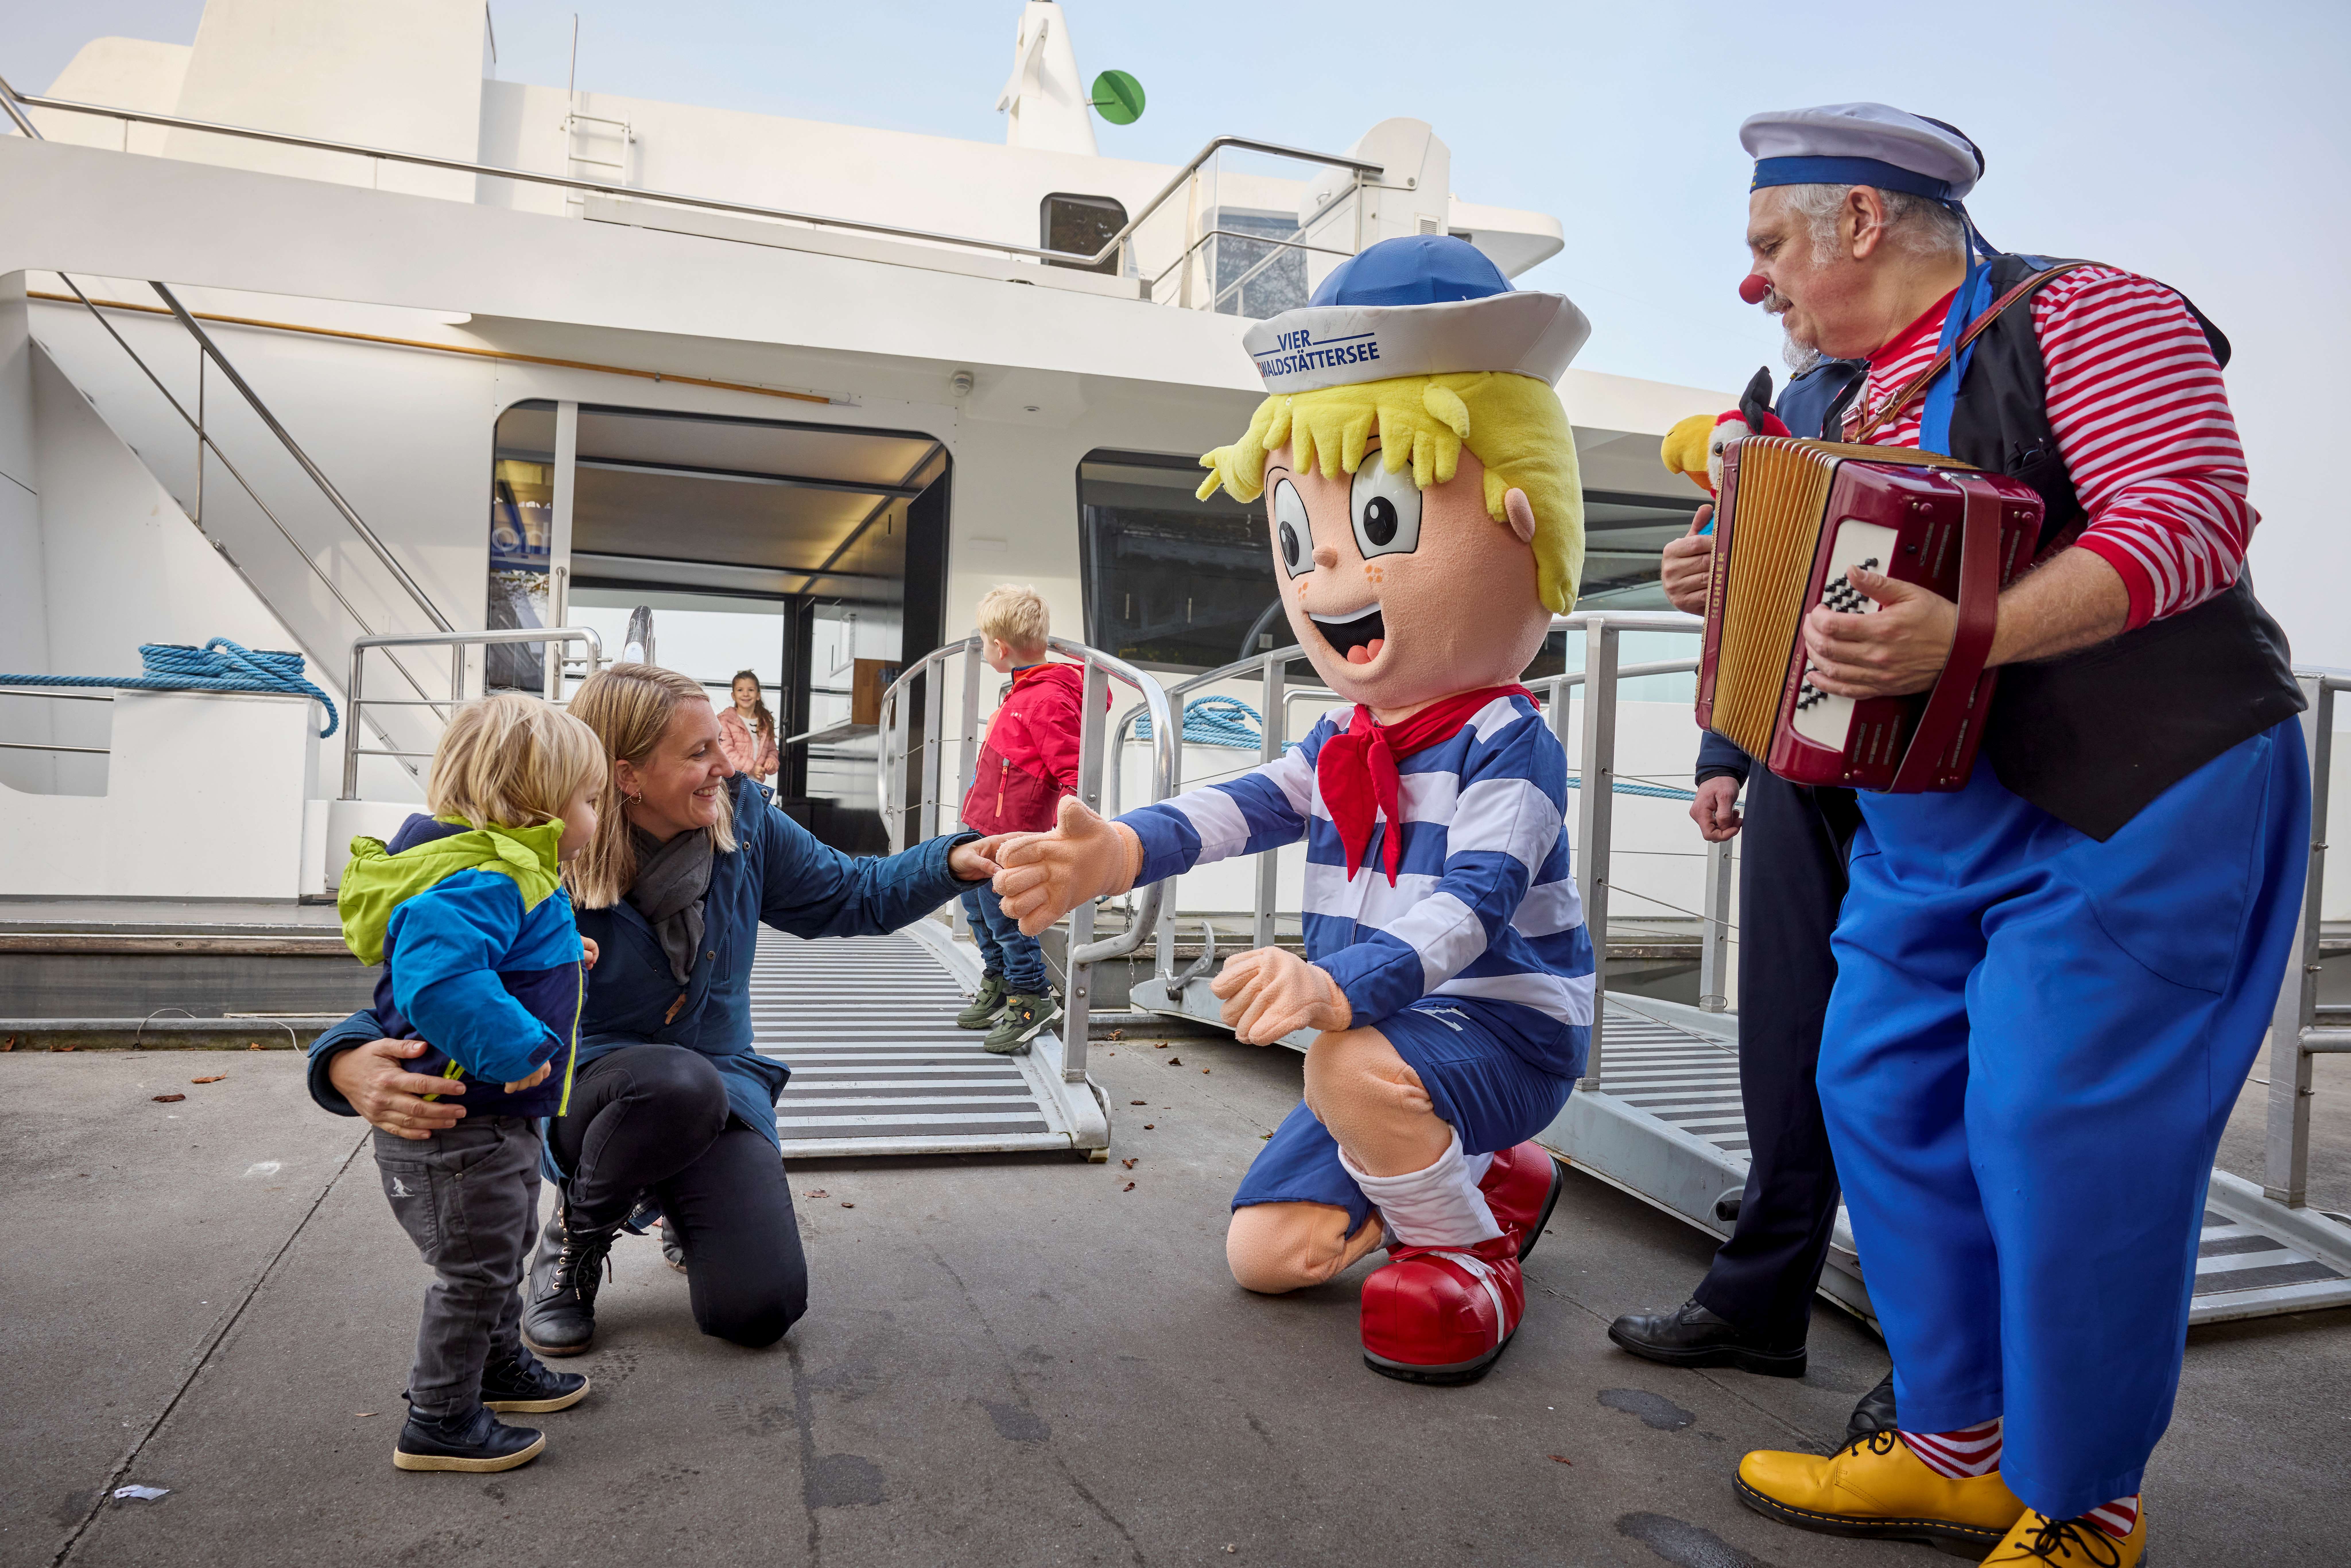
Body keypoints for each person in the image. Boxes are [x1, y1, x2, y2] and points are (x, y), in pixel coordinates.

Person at [1706, 105, 2307, 1567]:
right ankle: (1954, 1447)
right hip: (1933, 813)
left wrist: (1967, 634)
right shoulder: (1836, 397)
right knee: (1876, 1089)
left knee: (2059, 1129)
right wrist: (1727, 575)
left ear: (1859, 218)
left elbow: (2192, 517)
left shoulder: (2090, 310)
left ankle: (2086, 1499)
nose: (1757, 283)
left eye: (1772, 243)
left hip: (2139, 787)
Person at [994, 236, 1590, 1385]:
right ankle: (1494, 1172)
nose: (1322, 582)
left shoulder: (1504, 739)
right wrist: (1117, 848)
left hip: (1502, 1030)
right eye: (1295, 538)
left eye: (1376, 522)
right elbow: (1242, 805)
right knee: (1268, 1254)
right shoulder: (1346, 742)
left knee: (1346, 1069)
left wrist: (1332, 987)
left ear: (1521, 517)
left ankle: (1468, 1252)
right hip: (1377, 1034)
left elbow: (1475, 905)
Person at [309, 663, 1003, 1360]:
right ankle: (579, 1232)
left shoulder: (744, 817)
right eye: (699, 752)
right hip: (591, 1087)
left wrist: (958, 860)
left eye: (720, 745)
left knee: (758, 1308)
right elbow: (430, 973)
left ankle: (677, 1192)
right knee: (673, 1084)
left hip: (717, 1081)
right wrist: (342, 1059)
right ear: (627, 774)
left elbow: (853, 892)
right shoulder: (540, 850)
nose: (726, 765)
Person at [1609, 357, 1902, 1444]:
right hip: (1796, 759)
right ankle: (1758, 1298)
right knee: (1783, 1030)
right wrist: (1722, 749)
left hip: (1939, 772)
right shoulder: (1797, 402)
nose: (1761, 284)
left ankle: (1943, 1367)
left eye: (1776, 253)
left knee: (1918, 1055)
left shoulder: (1982, 364)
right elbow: (1759, 588)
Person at [335, 692, 606, 1474]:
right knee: (476, 1269)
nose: (594, 817)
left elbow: (495, 950)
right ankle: (441, 1417)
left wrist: (559, 954)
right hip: (461, 1126)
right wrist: (521, 1045)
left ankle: (494, 1368)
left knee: (503, 1247)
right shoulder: (484, 878)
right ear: (533, 807)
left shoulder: (501, 871)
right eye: (587, 801)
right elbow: (443, 980)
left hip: (489, 1125)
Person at [952, 585, 1080, 1053]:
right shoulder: (1022, 689)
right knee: (975, 906)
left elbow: (1072, 770)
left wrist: (1071, 832)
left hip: (1011, 832)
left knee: (1007, 916)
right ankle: (1000, 980)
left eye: (985, 641)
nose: (984, 649)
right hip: (982, 822)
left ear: (1000, 648)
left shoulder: (1044, 699)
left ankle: (1031, 999)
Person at [716, 671, 779, 799]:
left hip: (757, 785)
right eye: (740, 690)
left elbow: (772, 750)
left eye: (751, 690)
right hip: (731, 785)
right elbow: (726, 752)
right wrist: (753, 768)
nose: (746, 694)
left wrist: (772, 762)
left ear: (758, 695)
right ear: (733, 695)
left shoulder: (765, 723)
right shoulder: (726, 720)